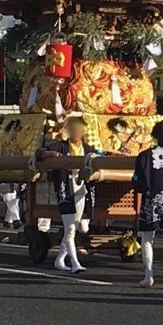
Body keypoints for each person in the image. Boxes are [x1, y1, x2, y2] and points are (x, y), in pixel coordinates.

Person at [38, 116, 99, 273]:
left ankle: (59, 259)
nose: (77, 132)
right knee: (70, 227)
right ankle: (75, 262)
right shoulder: (60, 146)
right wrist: (51, 155)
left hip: (81, 189)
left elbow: (102, 156)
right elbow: (40, 152)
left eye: (80, 129)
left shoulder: (89, 149)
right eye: (74, 129)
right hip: (66, 188)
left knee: (74, 226)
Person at [133, 120, 163, 289]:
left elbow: (137, 180)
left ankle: (148, 275)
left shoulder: (144, 155)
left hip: (151, 196)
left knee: (147, 237)